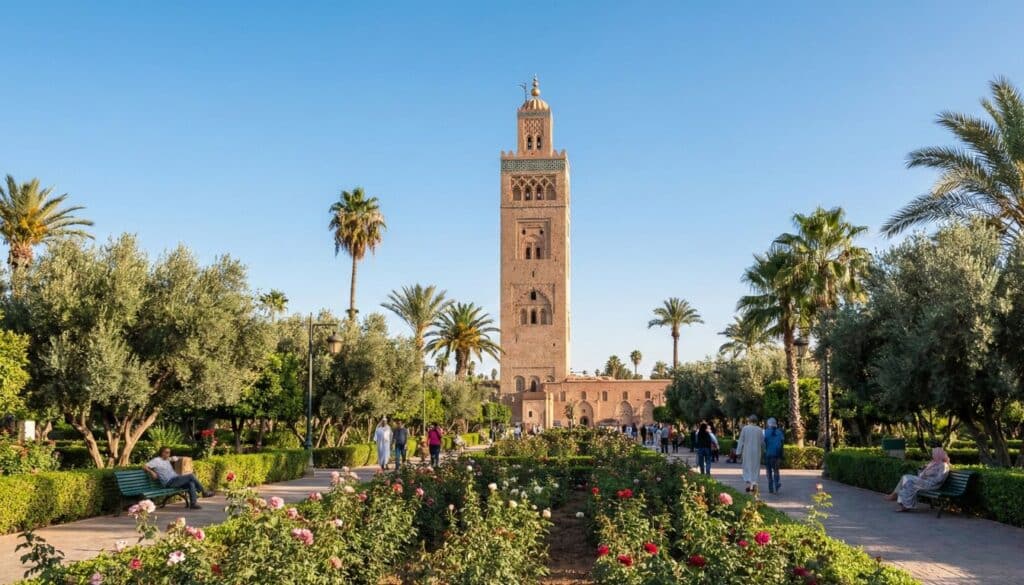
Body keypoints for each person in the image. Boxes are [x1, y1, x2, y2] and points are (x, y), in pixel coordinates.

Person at [143, 446, 212, 509]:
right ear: (161, 453)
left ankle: (193, 504)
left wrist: (177, 458)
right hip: (169, 482)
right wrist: (152, 472)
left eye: (169, 452)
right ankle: (204, 492)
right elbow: (144, 466)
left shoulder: (167, 459)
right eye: (166, 452)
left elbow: (176, 458)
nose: (168, 454)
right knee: (190, 476)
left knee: (191, 483)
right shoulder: (156, 460)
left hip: (175, 479)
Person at [886, 447, 951, 511]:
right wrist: (923, 470)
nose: (932, 455)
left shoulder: (943, 466)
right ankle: (905, 505)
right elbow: (921, 475)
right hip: (925, 481)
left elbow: (939, 479)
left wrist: (927, 476)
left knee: (906, 478)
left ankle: (895, 495)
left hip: (932, 484)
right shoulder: (933, 463)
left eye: (934, 454)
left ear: (938, 455)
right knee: (908, 483)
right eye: (933, 454)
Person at [735, 415, 764, 493]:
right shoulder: (759, 429)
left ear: (749, 421)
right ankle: (753, 483)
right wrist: (765, 450)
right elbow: (762, 442)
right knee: (755, 467)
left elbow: (741, 440)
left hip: (747, 451)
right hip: (757, 452)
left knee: (747, 467)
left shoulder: (745, 428)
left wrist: (738, 451)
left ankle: (749, 485)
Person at [763, 417, 784, 494]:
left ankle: (770, 487)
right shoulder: (780, 432)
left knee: (768, 471)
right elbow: (782, 444)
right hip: (777, 455)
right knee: (776, 470)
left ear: (768, 424)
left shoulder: (765, 432)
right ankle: (776, 484)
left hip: (768, 455)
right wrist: (781, 456)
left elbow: (763, 444)